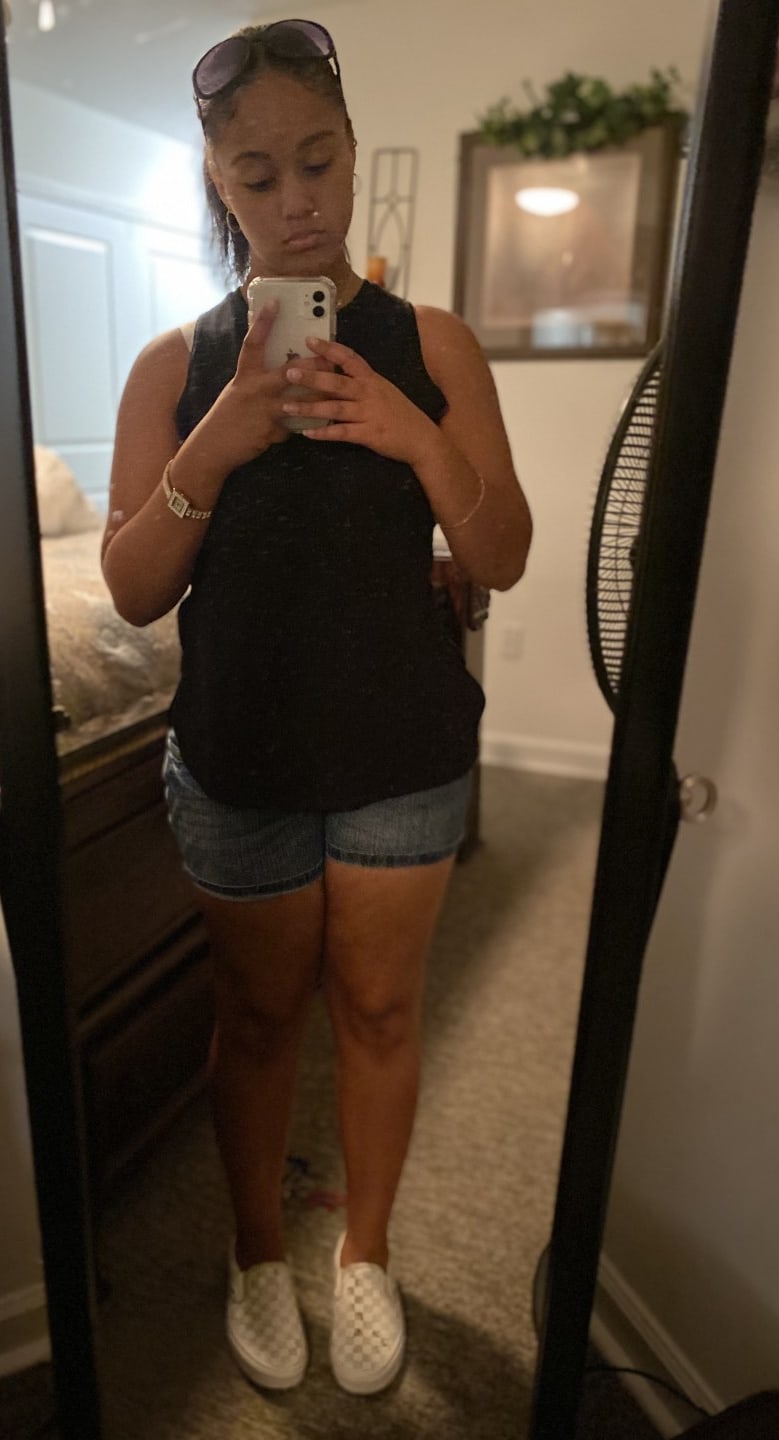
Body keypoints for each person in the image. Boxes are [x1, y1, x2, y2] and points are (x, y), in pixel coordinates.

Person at [101, 17, 531, 1398]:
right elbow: (131, 593)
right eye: (256, 174)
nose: (296, 201)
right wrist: (217, 442)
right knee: (257, 1018)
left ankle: (366, 1255)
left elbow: (504, 555)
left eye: (318, 161)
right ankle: (252, 1257)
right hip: (241, 754)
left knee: (384, 1014)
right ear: (216, 182)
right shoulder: (171, 368)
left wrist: (411, 431)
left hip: (403, 749)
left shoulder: (435, 344)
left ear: (352, 156)